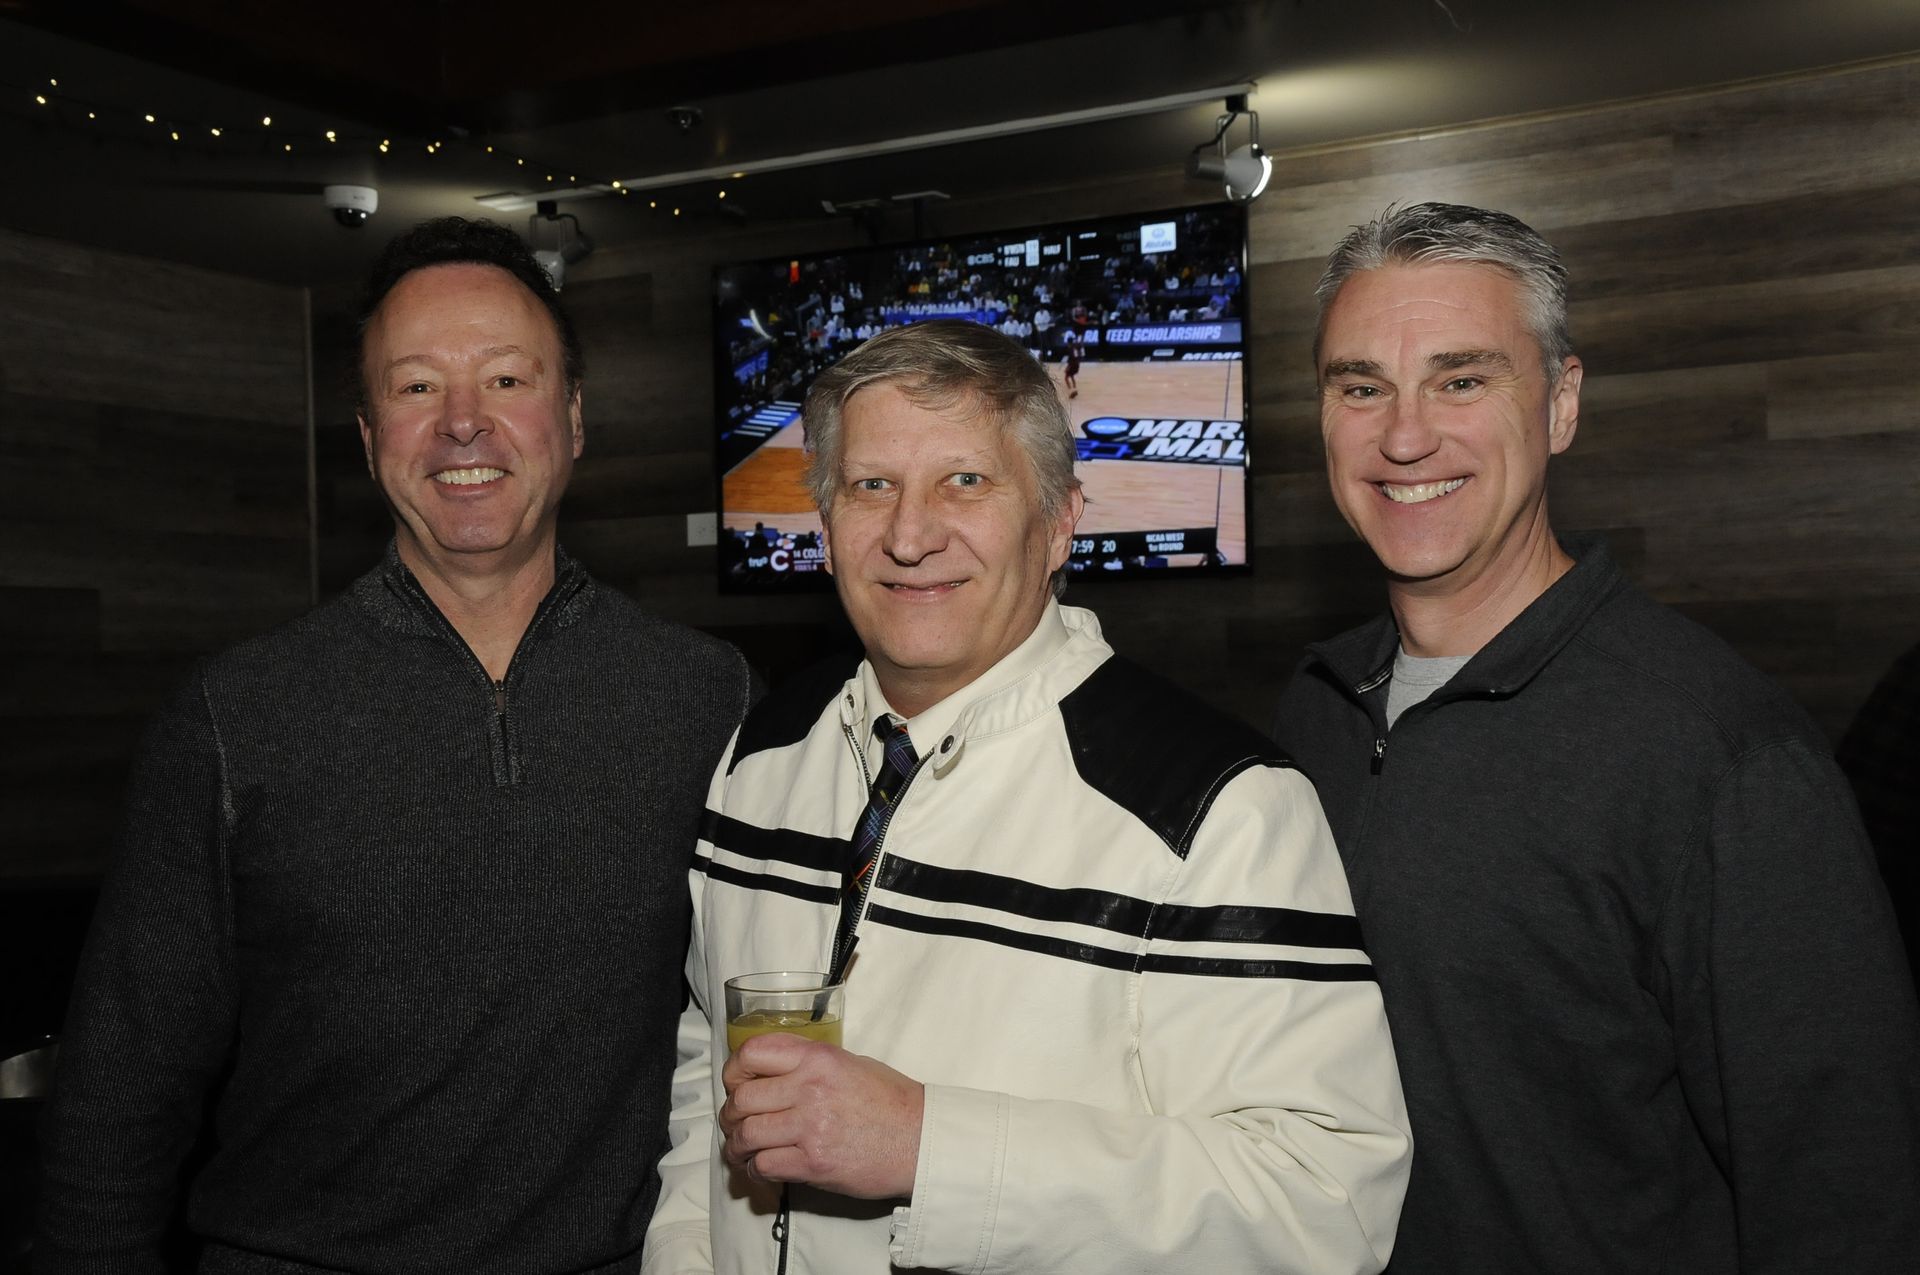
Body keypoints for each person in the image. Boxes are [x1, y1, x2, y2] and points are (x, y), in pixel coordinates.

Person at [38, 217, 754, 1272]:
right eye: (418, 388)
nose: (465, 425)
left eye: (508, 381)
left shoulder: (709, 697)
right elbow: (121, 1086)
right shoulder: (236, 714)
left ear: (574, 420)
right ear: (371, 438)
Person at [645, 319, 1410, 1274]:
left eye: (965, 481)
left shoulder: (1217, 808)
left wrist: (932, 1146)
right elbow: (706, 1064)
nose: (910, 534)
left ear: (1057, 524)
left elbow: (1324, 1202)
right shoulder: (759, 757)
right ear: (826, 522)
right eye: (870, 485)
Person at [1273, 201, 1920, 1273]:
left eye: (1464, 379)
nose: (1403, 436)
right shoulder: (1314, 710)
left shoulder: (1719, 753)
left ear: (1562, 404)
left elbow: (1847, 1191)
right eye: (1360, 387)